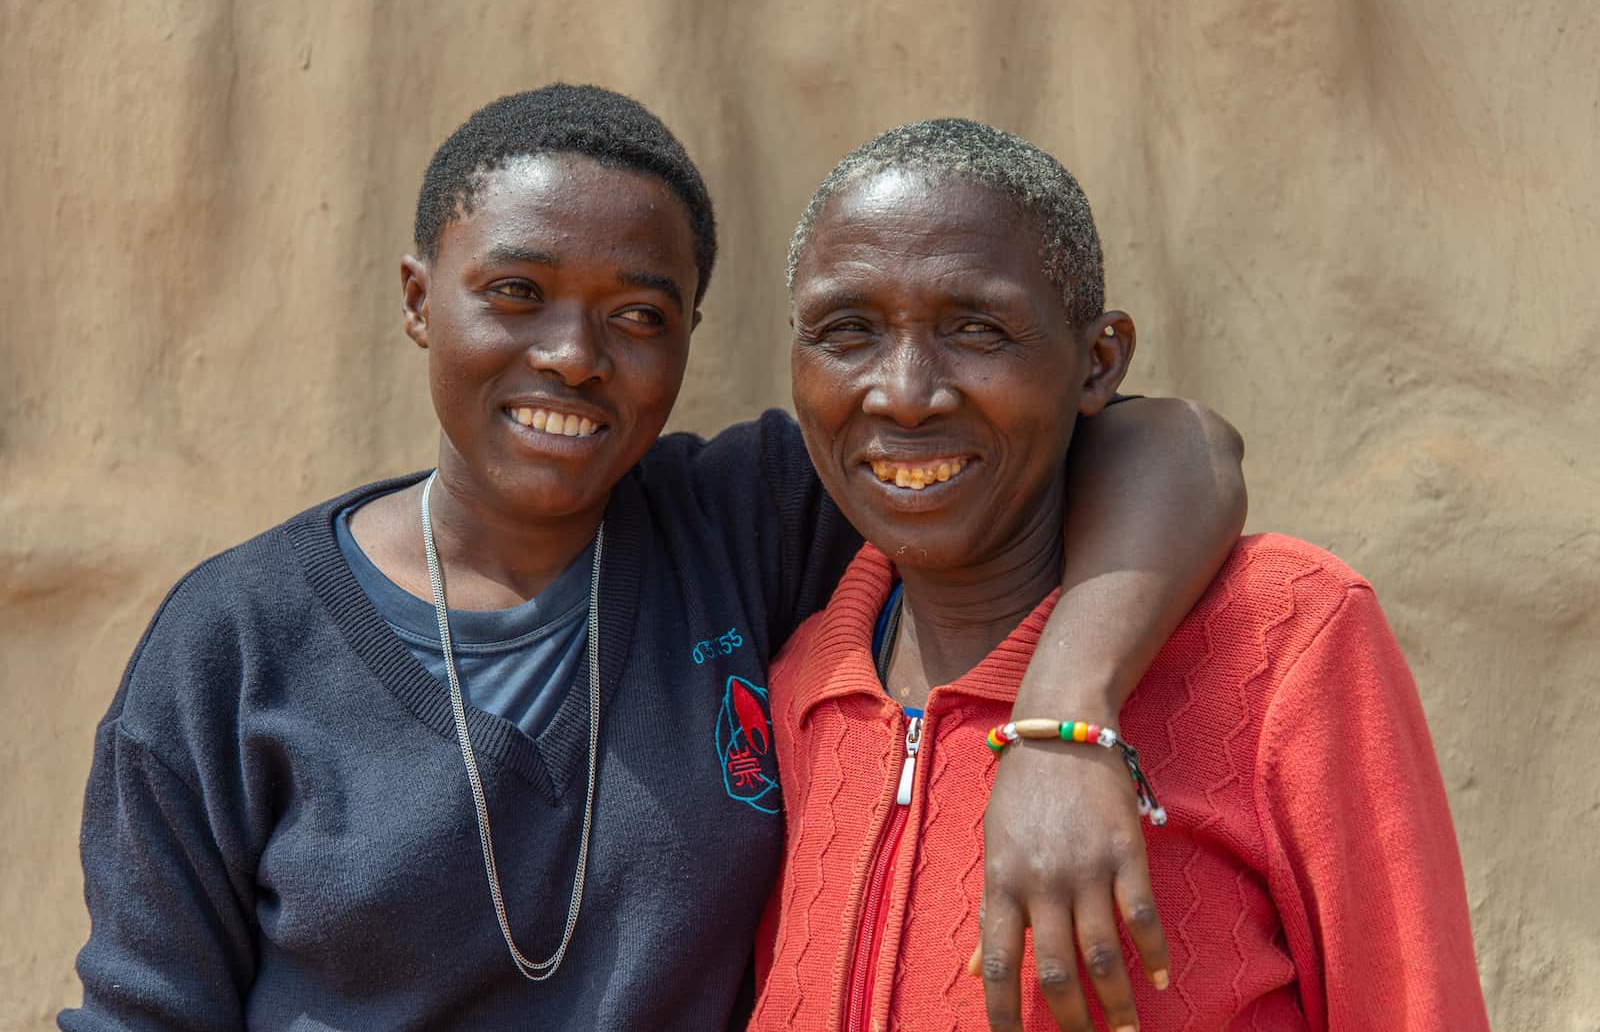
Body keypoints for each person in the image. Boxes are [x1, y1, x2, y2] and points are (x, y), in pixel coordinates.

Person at [61, 87, 1244, 1031]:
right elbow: (147, 1010)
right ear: (422, 300)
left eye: (638, 313)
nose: (573, 356)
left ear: (688, 337)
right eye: (515, 294)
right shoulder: (239, 638)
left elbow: (1167, 442)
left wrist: (1062, 724)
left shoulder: (742, 522)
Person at [750, 119, 1489, 1032]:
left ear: (1098, 362)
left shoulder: (1281, 637)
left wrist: (1062, 726)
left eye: (977, 328)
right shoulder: (800, 686)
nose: (904, 392)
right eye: (846, 330)